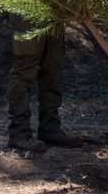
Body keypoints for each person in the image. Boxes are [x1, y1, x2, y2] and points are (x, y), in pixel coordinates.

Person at [7, 16, 82, 152]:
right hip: (26, 7)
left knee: (53, 68)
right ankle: (19, 134)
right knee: (24, 70)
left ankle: (50, 129)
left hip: (53, 11)